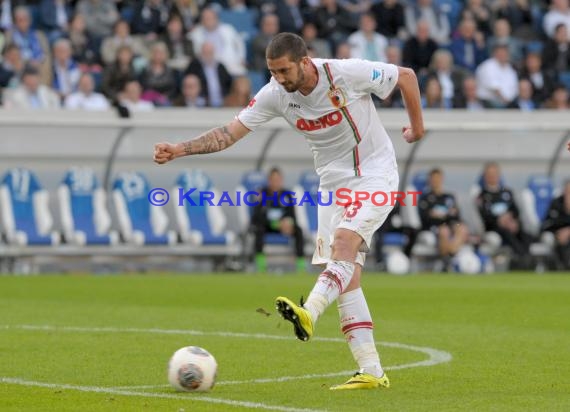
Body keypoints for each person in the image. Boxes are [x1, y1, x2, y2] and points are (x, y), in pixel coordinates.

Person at [154, 32, 424, 390]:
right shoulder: (275, 94)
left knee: (344, 244)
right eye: (272, 71)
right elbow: (228, 133)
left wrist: (417, 129)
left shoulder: (345, 73)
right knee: (346, 277)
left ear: (304, 62)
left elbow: (406, 76)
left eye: (283, 70)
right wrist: (179, 149)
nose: (278, 78)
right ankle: (371, 371)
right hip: (332, 186)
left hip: (375, 172)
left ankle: (308, 312)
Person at [476, 162, 534, 266]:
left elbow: (516, 211)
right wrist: (499, 220)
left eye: (495, 174)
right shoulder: (482, 196)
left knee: (525, 235)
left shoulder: (507, 192)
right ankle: (522, 258)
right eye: (490, 174)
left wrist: (512, 221)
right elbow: (485, 217)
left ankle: (527, 258)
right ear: (485, 176)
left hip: (510, 225)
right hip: (494, 228)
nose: (493, 177)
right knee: (506, 232)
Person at [251, 167, 305, 273]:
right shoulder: (261, 194)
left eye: (278, 179)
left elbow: (292, 216)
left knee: (298, 230)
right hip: (267, 226)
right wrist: (275, 224)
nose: (275, 182)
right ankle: (261, 265)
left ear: (281, 180)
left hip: (284, 227)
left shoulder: (287, 195)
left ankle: (301, 265)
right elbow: (256, 217)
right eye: (273, 179)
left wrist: (288, 223)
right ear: (269, 180)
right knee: (259, 230)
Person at [418, 168, 469, 260]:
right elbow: (425, 217)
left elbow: (456, 214)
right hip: (434, 227)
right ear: (429, 180)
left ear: (442, 179)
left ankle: (450, 254)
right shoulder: (425, 198)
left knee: (462, 228)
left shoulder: (449, 197)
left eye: (438, 178)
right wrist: (445, 215)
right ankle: (446, 258)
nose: (436, 181)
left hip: (450, 224)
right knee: (444, 231)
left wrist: (442, 215)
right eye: (433, 179)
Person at [542, 180, 570, 269]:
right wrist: (559, 231)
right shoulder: (556, 202)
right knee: (550, 238)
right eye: (567, 191)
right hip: (556, 233)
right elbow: (548, 222)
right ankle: (560, 266)